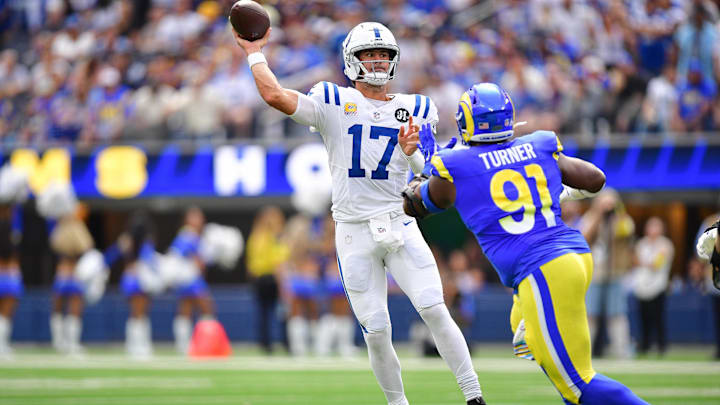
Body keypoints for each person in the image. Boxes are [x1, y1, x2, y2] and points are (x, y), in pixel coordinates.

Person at [233, 22, 485, 405]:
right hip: (354, 230)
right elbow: (275, 95)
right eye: (370, 53)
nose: (379, 61)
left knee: (435, 309)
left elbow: (429, 174)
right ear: (352, 60)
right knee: (377, 330)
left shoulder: (415, 107)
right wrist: (254, 52)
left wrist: (413, 150)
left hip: (399, 221)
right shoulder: (332, 102)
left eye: (384, 54)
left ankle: (474, 397)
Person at [402, 82, 650, 405]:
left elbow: (414, 205)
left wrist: (423, 165)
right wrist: (557, 190)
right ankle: (535, 335)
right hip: (571, 255)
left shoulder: (456, 164)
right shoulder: (539, 144)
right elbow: (595, 179)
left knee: (579, 385)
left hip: (543, 270)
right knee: (525, 331)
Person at [580, 188, 635, 359]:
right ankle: (584, 353)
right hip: (595, 273)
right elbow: (584, 237)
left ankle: (621, 351)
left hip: (615, 273)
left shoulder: (622, 220)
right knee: (590, 315)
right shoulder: (590, 217)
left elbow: (627, 232)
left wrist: (617, 212)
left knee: (617, 314)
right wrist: (598, 214)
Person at [168, 206, 215, 354]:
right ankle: (203, 344)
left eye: (199, 217)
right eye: (194, 217)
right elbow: (178, 256)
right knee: (206, 308)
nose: (198, 220)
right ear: (187, 220)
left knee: (186, 310)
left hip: (192, 279)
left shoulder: (196, 236)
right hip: (190, 279)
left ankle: (188, 346)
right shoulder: (187, 236)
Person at [245, 206, 289, 354]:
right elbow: (277, 260)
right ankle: (269, 344)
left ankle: (281, 342)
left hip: (269, 278)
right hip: (267, 278)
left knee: (279, 312)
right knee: (268, 313)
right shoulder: (264, 236)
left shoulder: (260, 235)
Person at [632, 216, 673, 356]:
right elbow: (635, 261)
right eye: (651, 226)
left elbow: (657, 264)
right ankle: (645, 345)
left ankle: (662, 346)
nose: (653, 230)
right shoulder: (641, 244)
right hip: (642, 287)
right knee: (644, 318)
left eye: (656, 226)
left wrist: (645, 262)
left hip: (658, 287)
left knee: (658, 318)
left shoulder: (665, 244)